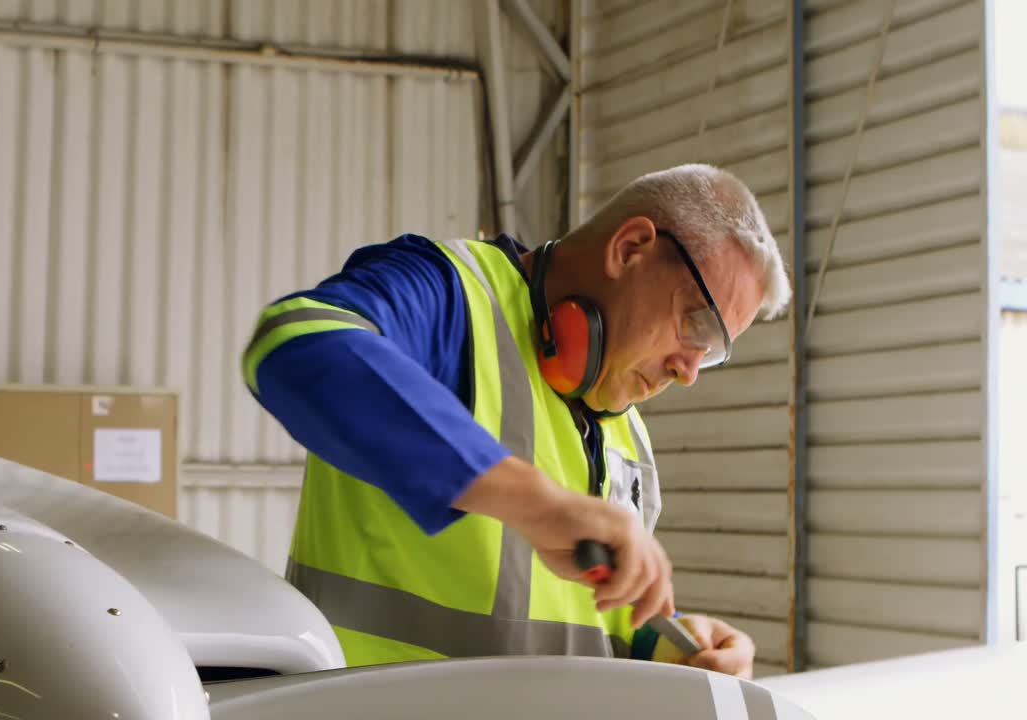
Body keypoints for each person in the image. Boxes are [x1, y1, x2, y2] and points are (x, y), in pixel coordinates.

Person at [239, 164, 792, 679]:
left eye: (712, 352)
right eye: (696, 324)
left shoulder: (627, 436)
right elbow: (297, 342)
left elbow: (586, 623)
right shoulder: (453, 299)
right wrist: (536, 502)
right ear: (630, 249)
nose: (688, 371)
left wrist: (671, 645)